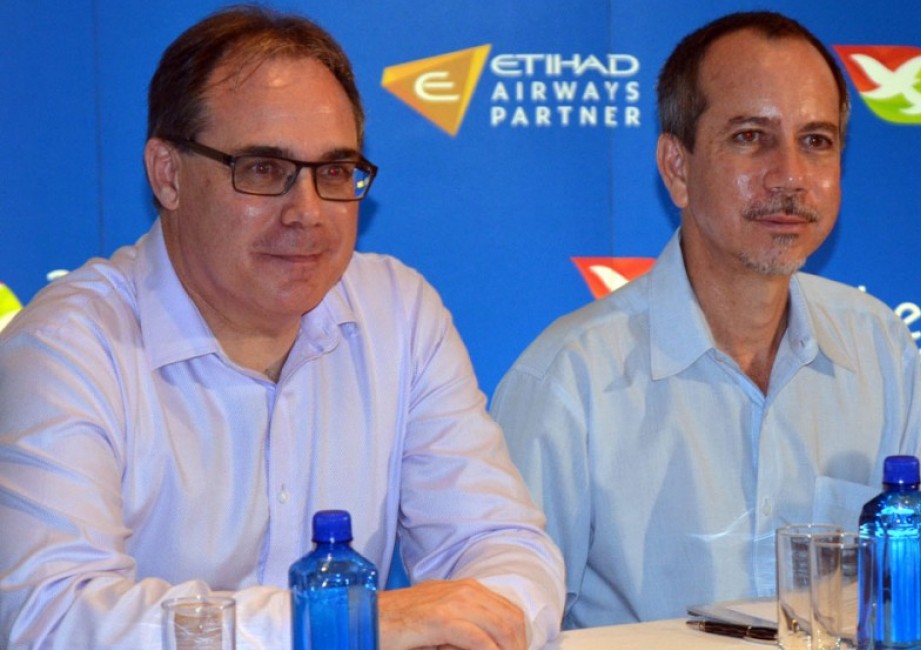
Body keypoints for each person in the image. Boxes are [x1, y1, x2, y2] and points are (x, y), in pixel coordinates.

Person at [0, 7, 563, 649]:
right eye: (263, 170)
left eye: (333, 172)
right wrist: (336, 626)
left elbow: (501, 545)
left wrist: (476, 622)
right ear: (168, 175)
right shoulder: (66, 345)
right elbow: (49, 617)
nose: (308, 213)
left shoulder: (398, 312)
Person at [490, 10, 921, 629]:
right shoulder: (568, 379)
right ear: (677, 168)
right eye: (751, 137)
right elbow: (506, 625)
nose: (790, 175)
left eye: (816, 141)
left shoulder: (878, 346)